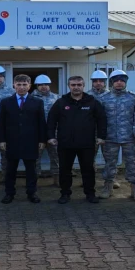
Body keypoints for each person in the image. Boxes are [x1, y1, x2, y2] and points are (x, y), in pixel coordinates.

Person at [48, 76, 107, 204]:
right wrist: (51, 137)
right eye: (73, 85)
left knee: (88, 170)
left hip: (86, 143)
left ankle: (90, 194)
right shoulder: (61, 102)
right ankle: (65, 194)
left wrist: (101, 136)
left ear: (83, 86)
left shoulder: (92, 102)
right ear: (69, 86)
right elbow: (51, 120)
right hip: (65, 143)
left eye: (79, 85)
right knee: (65, 170)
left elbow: (102, 120)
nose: (76, 87)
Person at [0, 74, 46, 204]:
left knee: (31, 170)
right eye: (19, 84)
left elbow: (41, 122)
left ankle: (32, 193)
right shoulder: (5, 102)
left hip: (31, 141)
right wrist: (1, 140)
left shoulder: (37, 102)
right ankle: (9, 193)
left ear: (30, 86)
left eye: (24, 84)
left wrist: (42, 140)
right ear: (14, 85)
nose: (22, 87)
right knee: (10, 170)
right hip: (11, 141)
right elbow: (1, 122)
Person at [98, 70, 135, 201]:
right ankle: (108, 188)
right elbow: (99, 119)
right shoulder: (104, 98)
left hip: (129, 137)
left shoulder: (134, 98)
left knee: (132, 164)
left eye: (122, 80)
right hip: (110, 137)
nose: (119, 83)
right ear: (112, 82)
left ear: (125, 82)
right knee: (109, 164)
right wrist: (100, 135)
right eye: (116, 80)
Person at [30, 74, 60, 179]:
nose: (44, 86)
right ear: (36, 86)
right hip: (36, 133)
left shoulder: (56, 98)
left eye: (46, 84)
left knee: (56, 156)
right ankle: (34, 179)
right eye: (41, 84)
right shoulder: (30, 98)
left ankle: (57, 178)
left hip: (54, 132)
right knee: (35, 157)